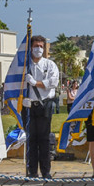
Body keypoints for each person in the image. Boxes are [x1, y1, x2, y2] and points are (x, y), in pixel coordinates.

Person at [24, 35, 59, 178]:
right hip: (29, 105)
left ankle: (46, 171)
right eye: (35, 46)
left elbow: (53, 82)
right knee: (31, 139)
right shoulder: (25, 65)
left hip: (44, 105)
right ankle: (32, 171)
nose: (38, 49)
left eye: (41, 46)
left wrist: (35, 83)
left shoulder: (49, 64)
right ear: (30, 47)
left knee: (44, 139)